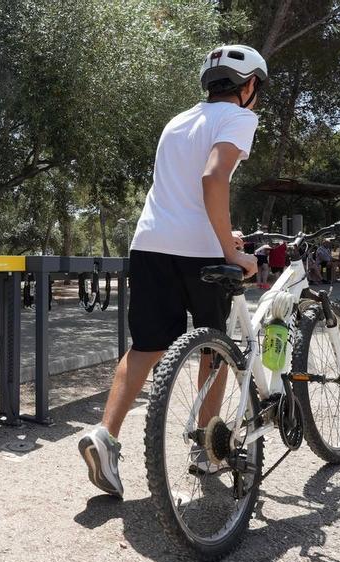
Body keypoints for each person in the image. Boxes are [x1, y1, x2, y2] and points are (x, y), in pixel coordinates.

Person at [78, 44, 267, 497]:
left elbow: (181, 193)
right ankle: (206, 449)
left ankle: (104, 436)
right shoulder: (239, 118)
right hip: (200, 254)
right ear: (249, 86)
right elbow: (213, 178)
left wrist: (224, 232)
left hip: (150, 244)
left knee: (146, 346)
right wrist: (230, 250)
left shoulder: (177, 121)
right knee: (214, 349)